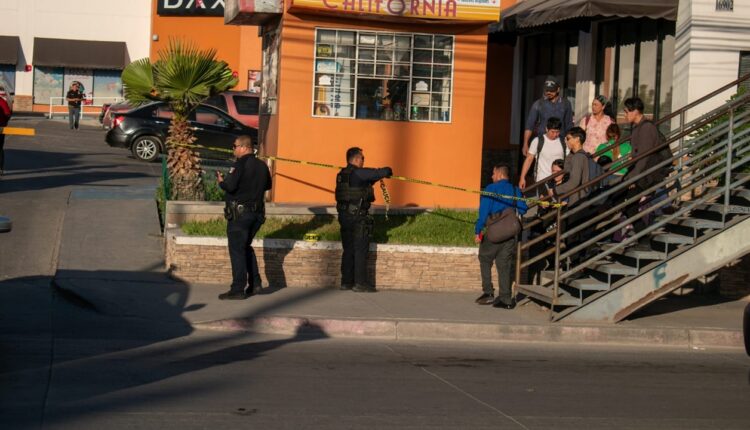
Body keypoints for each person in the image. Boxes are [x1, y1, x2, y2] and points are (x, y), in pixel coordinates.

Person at [216, 135, 272, 300]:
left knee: (237, 250)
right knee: (245, 247)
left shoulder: (239, 165)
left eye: (234, 146)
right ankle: (255, 284)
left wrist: (221, 182)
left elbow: (230, 186)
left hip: (240, 216)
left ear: (244, 147)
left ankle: (238, 289)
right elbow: (268, 185)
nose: (233, 149)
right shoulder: (262, 165)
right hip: (257, 215)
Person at [336, 147, 392, 293]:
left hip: (344, 216)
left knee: (348, 249)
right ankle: (360, 283)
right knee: (360, 250)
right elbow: (381, 172)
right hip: (357, 217)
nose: (363, 160)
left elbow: (361, 184)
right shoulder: (358, 172)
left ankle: (346, 282)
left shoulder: (342, 174)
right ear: (355, 159)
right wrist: (388, 170)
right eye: (362, 158)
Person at [474, 164, 528, 308]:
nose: (492, 177)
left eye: (493, 173)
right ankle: (506, 299)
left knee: (484, 258)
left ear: (499, 174)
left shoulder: (491, 189)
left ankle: (488, 292)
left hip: (494, 233)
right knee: (504, 265)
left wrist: (478, 231)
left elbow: (483, 213)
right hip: (510, 234)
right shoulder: (515, 190)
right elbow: (523, 209)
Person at [617, 97, 671, 238]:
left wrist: (633, 179)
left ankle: (644, 239)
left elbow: (644, 158)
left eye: (626, 111)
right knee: (625, 204)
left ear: (635, 111)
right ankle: (643, 238)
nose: (625, 114)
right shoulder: (637, 128)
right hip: (641, 173)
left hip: (647, 175)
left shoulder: (646, 128)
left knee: (629, 205)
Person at [522, 76, 574, 157]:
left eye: (551, 90)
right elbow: (529, 125)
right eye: (547, 90)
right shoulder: (538, 104)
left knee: (559, 168)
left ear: (558, 89)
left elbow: (569, 125)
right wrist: (525, 144)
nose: (548, 92)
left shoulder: (566, 104)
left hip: (560, 142)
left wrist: (570, 142)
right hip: (542, 142)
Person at [519, 117, 566, 191]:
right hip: (542, 180)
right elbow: (529, 159)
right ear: (546, 129)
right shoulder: (537, 141)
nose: (555, 135)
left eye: (557, 132)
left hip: (559, 181)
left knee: (558, 202)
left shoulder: (564, 142)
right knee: (543, 202)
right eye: (552, 132)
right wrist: (522, 178)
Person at [0, 86, 11, 177]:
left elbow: (7, 113)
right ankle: (0, 168)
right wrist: (5, 122)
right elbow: (7, 113)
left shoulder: (2, 101)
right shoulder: (2, 101)